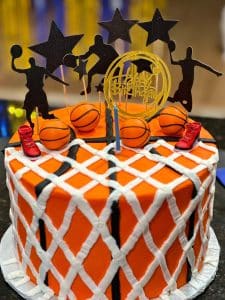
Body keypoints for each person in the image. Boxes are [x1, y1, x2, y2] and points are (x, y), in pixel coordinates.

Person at [11, 55, 68, 128]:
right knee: (31, 114)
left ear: (30, 63)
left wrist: (13, 58)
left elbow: (15, 68)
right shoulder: (36, 70)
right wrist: (63, 83)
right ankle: (32, 124)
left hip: (36, 93)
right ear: (33, 62)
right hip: (34, 94)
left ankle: (58, 123)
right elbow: (15, 69)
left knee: (39, 114)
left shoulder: (32, 70)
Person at [168, 43, 222, 112]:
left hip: (186, 85)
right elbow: (173, 62)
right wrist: (170, 52)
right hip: (185, 85)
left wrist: (216, 72)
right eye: (189, 52)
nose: (189, 53)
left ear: (190, 53)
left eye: (190, 52)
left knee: (179, 103)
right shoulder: (184, 62)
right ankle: (175, 100)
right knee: (186, 106)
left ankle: (171, 99)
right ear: (187, 53)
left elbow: (205, 67)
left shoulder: (190, 62)